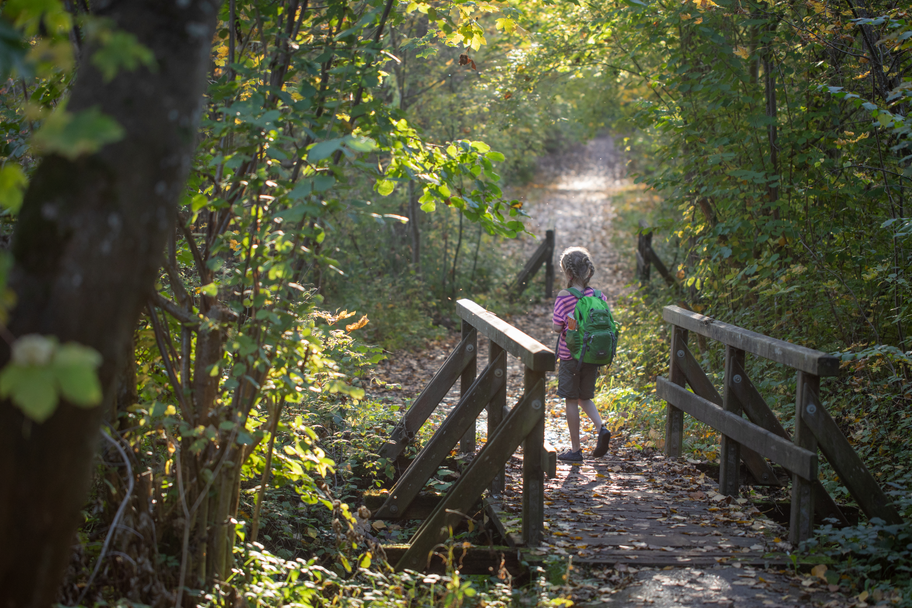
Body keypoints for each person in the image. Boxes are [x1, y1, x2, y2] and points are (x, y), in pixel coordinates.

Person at [551, 246, 612, 462]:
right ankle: (601, 427)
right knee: (584, 397)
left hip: (571, 357)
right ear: (587, 271)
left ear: (568, 273)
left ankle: (576, 450)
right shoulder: (598, 295)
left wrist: (569, 322)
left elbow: (557, 327)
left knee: (571, 399)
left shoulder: (564, 296)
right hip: (593, 355)